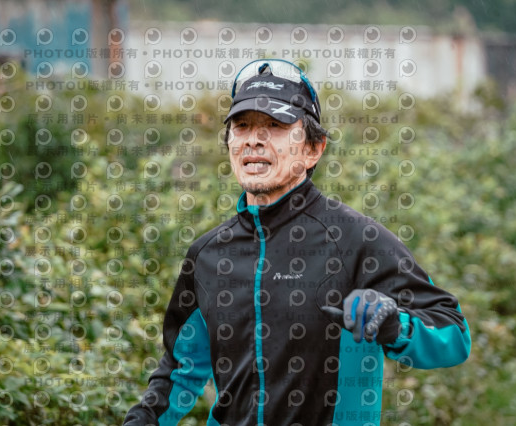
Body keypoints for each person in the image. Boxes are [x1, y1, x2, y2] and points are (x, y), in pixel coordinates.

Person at [124, 59, 471, 426]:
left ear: (313, 149)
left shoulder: (357, 241)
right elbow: (180, 370)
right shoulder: (207, 254)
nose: (254, 139)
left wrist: (396, 325)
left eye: (275, 125)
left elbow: (454, 333)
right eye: (242, 126)